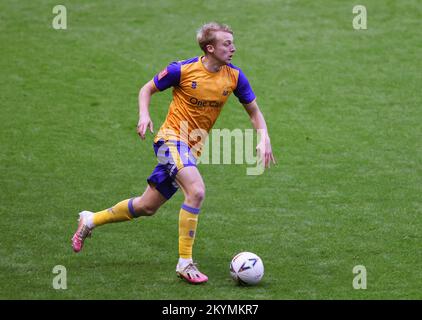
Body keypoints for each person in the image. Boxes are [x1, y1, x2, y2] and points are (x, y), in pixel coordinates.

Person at [71, 22, 276, 284]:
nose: (233, 48)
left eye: (232, 42)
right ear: (210, 48)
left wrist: (264, 137)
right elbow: (147, 89)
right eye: (227, 43)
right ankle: (185, 263)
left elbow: (254, 111)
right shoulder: (181, 70)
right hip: (170, 140)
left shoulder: (235, 77)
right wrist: (144, 115)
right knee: (197, 190)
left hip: (191, 149)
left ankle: (90, 220)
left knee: (146, 206)